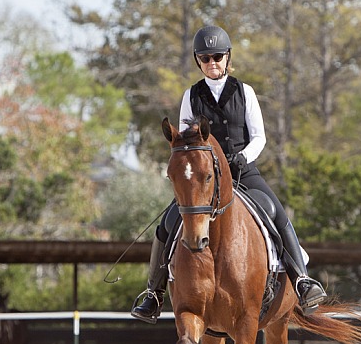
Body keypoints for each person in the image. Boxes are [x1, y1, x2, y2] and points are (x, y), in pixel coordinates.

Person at [131, 25, 326, 323]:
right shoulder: (191, 95)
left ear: (227, 57)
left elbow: (259, 137)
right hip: (203, 180)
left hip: (243, 171)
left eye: (217, 56)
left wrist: (241, 156)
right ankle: (154, 293)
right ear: (198, 60)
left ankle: (302, 280)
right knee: (168, 222)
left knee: (276, 212)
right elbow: (184, 140)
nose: (212, 63)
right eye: (205, 57)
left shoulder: (244, 92)